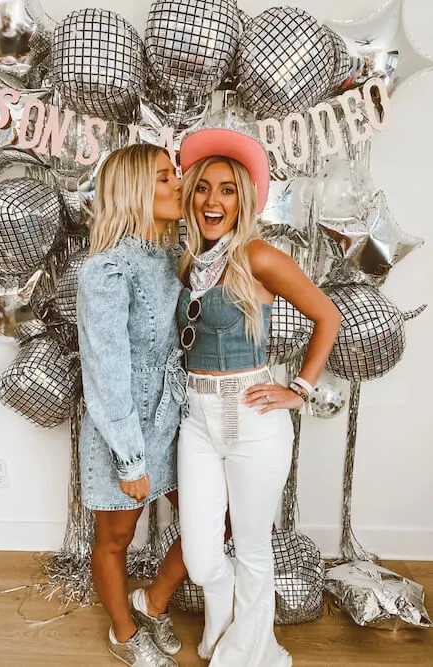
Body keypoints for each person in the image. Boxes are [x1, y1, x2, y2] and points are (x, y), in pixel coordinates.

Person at [176, 124, 341, 666]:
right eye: (203, 187)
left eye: (226, 189)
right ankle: (224, 612)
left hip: (252, 416)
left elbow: (328, 316)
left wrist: (300, 389)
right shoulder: (187, 263)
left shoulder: (260, 257)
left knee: (251, 547)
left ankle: (247, 654)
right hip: (196, 418)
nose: (212, 200)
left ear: (242, 199)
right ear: (191, 194)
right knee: (202, 560)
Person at [77, 144, 188, 667]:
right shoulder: (107, 268)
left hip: (173, 412)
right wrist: (130, 456)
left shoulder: (168, 254)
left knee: (211, 519)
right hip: (124, 421)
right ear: (136, 189)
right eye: (165, 178)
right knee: (118, 534)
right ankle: (124, 633)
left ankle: (154, 600)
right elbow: (107, 371)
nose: (179, 186)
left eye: (175, 175)